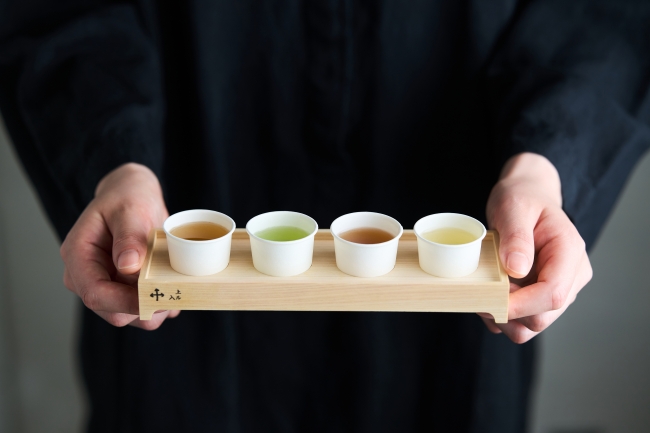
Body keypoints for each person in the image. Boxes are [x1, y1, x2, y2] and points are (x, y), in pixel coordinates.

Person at [0, 0, 648, 431]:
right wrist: (116, 159)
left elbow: (603, 15)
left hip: (450, 299)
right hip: (184, 283)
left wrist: (545, 163)